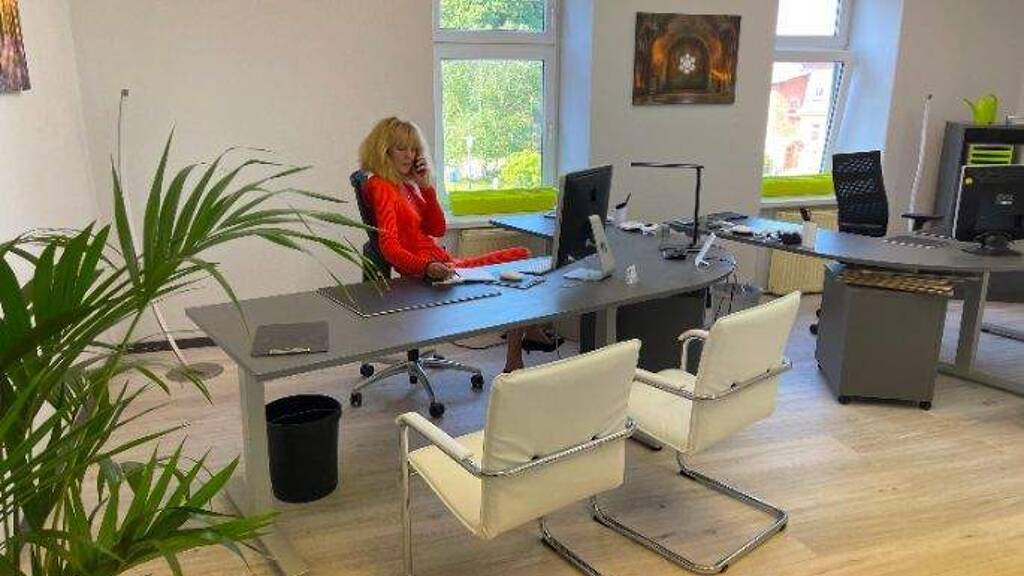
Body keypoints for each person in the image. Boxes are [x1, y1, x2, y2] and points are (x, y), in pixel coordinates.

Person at [357, 117, 558, 372]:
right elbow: (389, 247)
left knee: (522, 255)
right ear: (384, 151)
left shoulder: (405, 186)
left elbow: (437, 228)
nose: (410, 156)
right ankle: (515, 356)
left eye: (413, 149)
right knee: (520, 261)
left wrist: (425, 187)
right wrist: (427, 267)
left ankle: (528, 330)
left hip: (446, 264)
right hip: (431, 273)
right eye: (401, 149)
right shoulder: (381, 187)